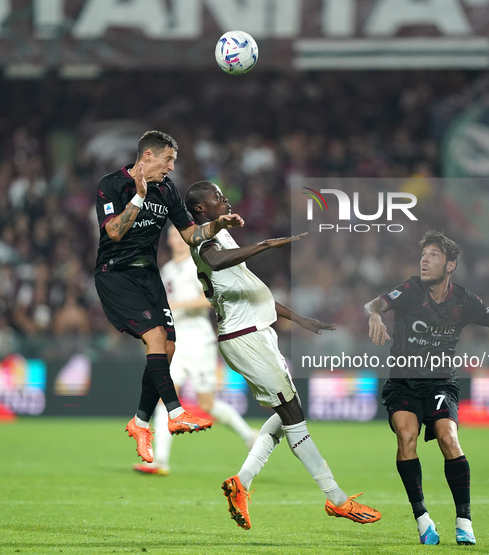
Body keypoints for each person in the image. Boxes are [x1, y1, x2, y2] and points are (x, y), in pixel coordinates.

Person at [184, 180, 382, 530]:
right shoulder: (202, 240)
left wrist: (299, 318)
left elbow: (247, 290)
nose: (225, 198)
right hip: (245, 338)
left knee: (289, 412)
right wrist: (263, 245)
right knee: (293, 416)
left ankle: (241, 483)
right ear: (200, 208)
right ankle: (336, 498)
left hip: (257, 332)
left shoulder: (221, 236)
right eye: (216, 197)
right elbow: (214, 262)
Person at [94, 130, 243, 463]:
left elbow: (190, 234)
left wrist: (218, 224)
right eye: (168, 160)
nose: (172, 168)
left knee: (169, 347)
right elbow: (114, 232)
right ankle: (176, 413)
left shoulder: (167, 190)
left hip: (149, 275)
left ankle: (140, 422)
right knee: (157, 336)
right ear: (147, 156)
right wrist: (138, 198)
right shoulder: (110, 184)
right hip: (116, 272)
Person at [364, 230, 489, 546]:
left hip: (440, 382)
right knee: (407, 437)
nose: (425, 260)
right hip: (403, 383)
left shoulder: (464, 301)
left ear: (451, 265)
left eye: (433, 255)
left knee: (448, 438)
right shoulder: (410, 290)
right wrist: (376, 316)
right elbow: (374, 303)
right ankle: (423, 520)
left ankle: (464, 521)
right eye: (423, 255)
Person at [133, 226, 258, 476]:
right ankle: (160, 461)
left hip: (200, 341)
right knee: (163, 397)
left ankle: (249, 436)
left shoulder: (197, 265)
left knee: (207, 403)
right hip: (176, 342)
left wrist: (178, 304)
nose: (177, 240)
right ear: (168, 240)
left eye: (181, 236)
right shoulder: (167, 270)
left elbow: (210, 299)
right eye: (173, 236)